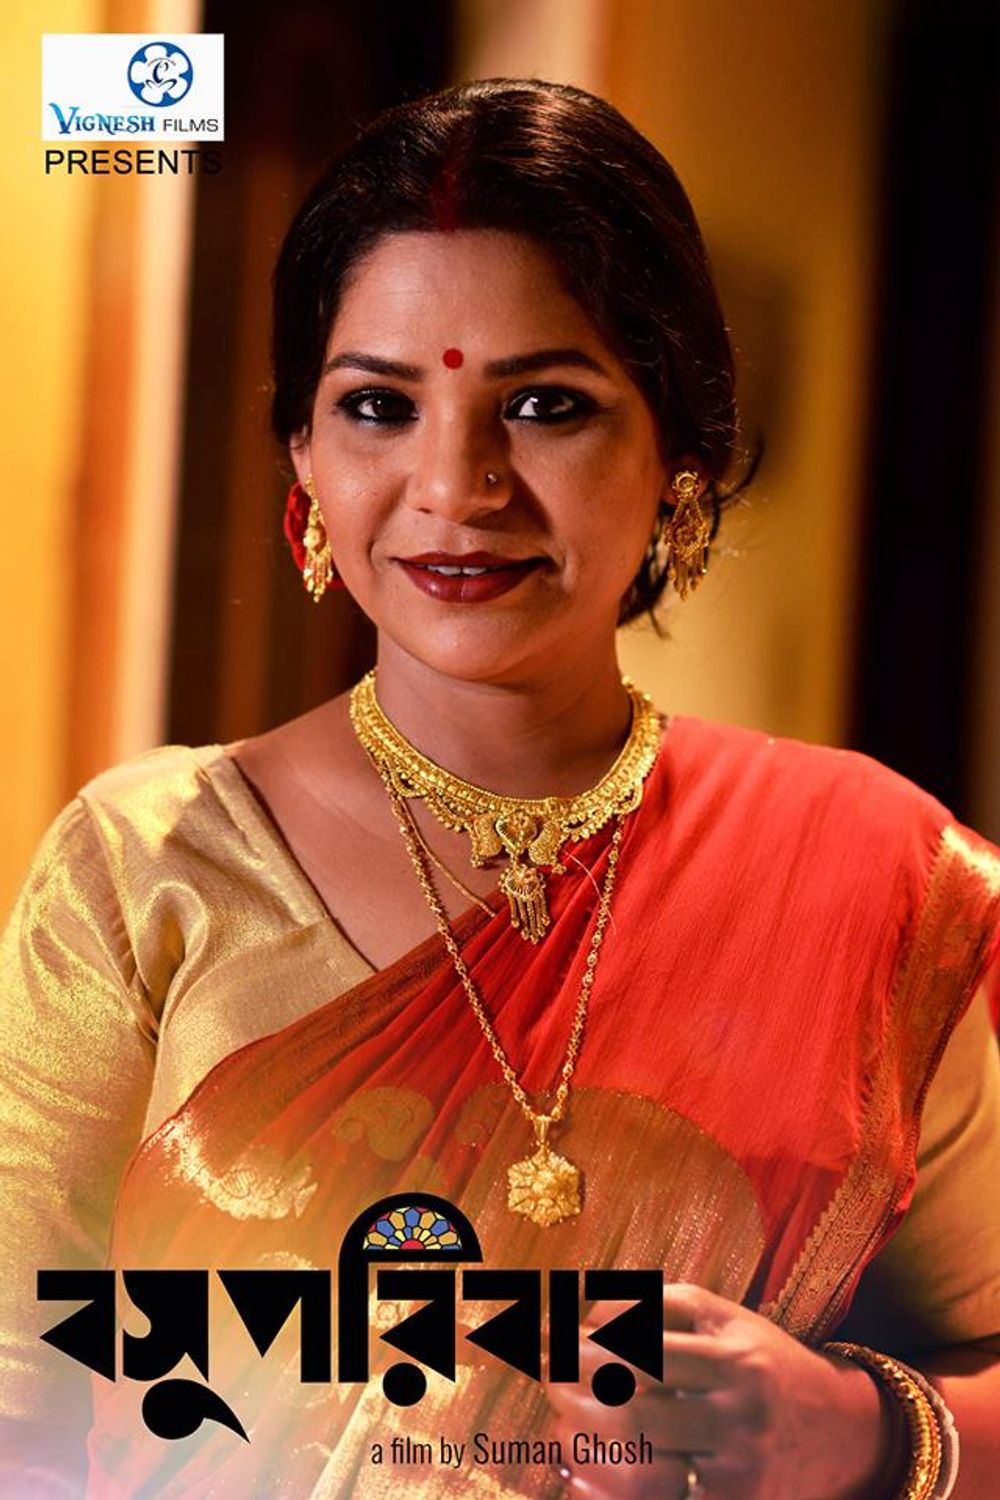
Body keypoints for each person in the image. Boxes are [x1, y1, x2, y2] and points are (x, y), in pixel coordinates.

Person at [2, 77, 999, 1500]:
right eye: (378, 406)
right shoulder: (146, 866)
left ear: (679, 459)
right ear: (303, 461)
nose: (456, 485)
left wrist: (852, 1427)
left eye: (544, 405)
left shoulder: (870, 883)